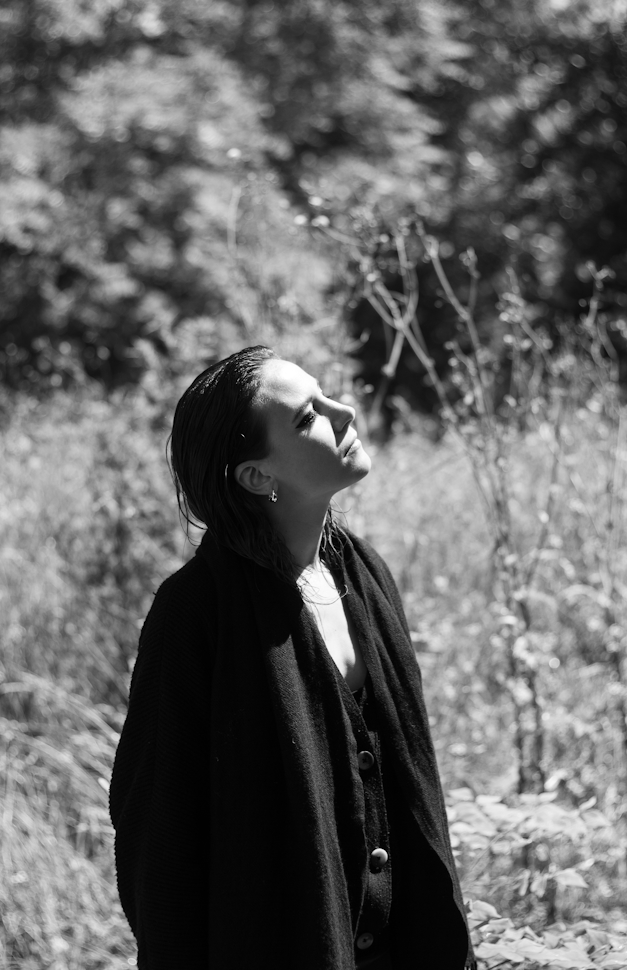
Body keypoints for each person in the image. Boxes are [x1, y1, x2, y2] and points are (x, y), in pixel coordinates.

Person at [109, 345, 476, 970]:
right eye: (309, 417)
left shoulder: (362, 571)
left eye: (325, 394)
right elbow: (157, 829)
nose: (344, 410)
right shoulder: (194, 613)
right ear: (258, 476)